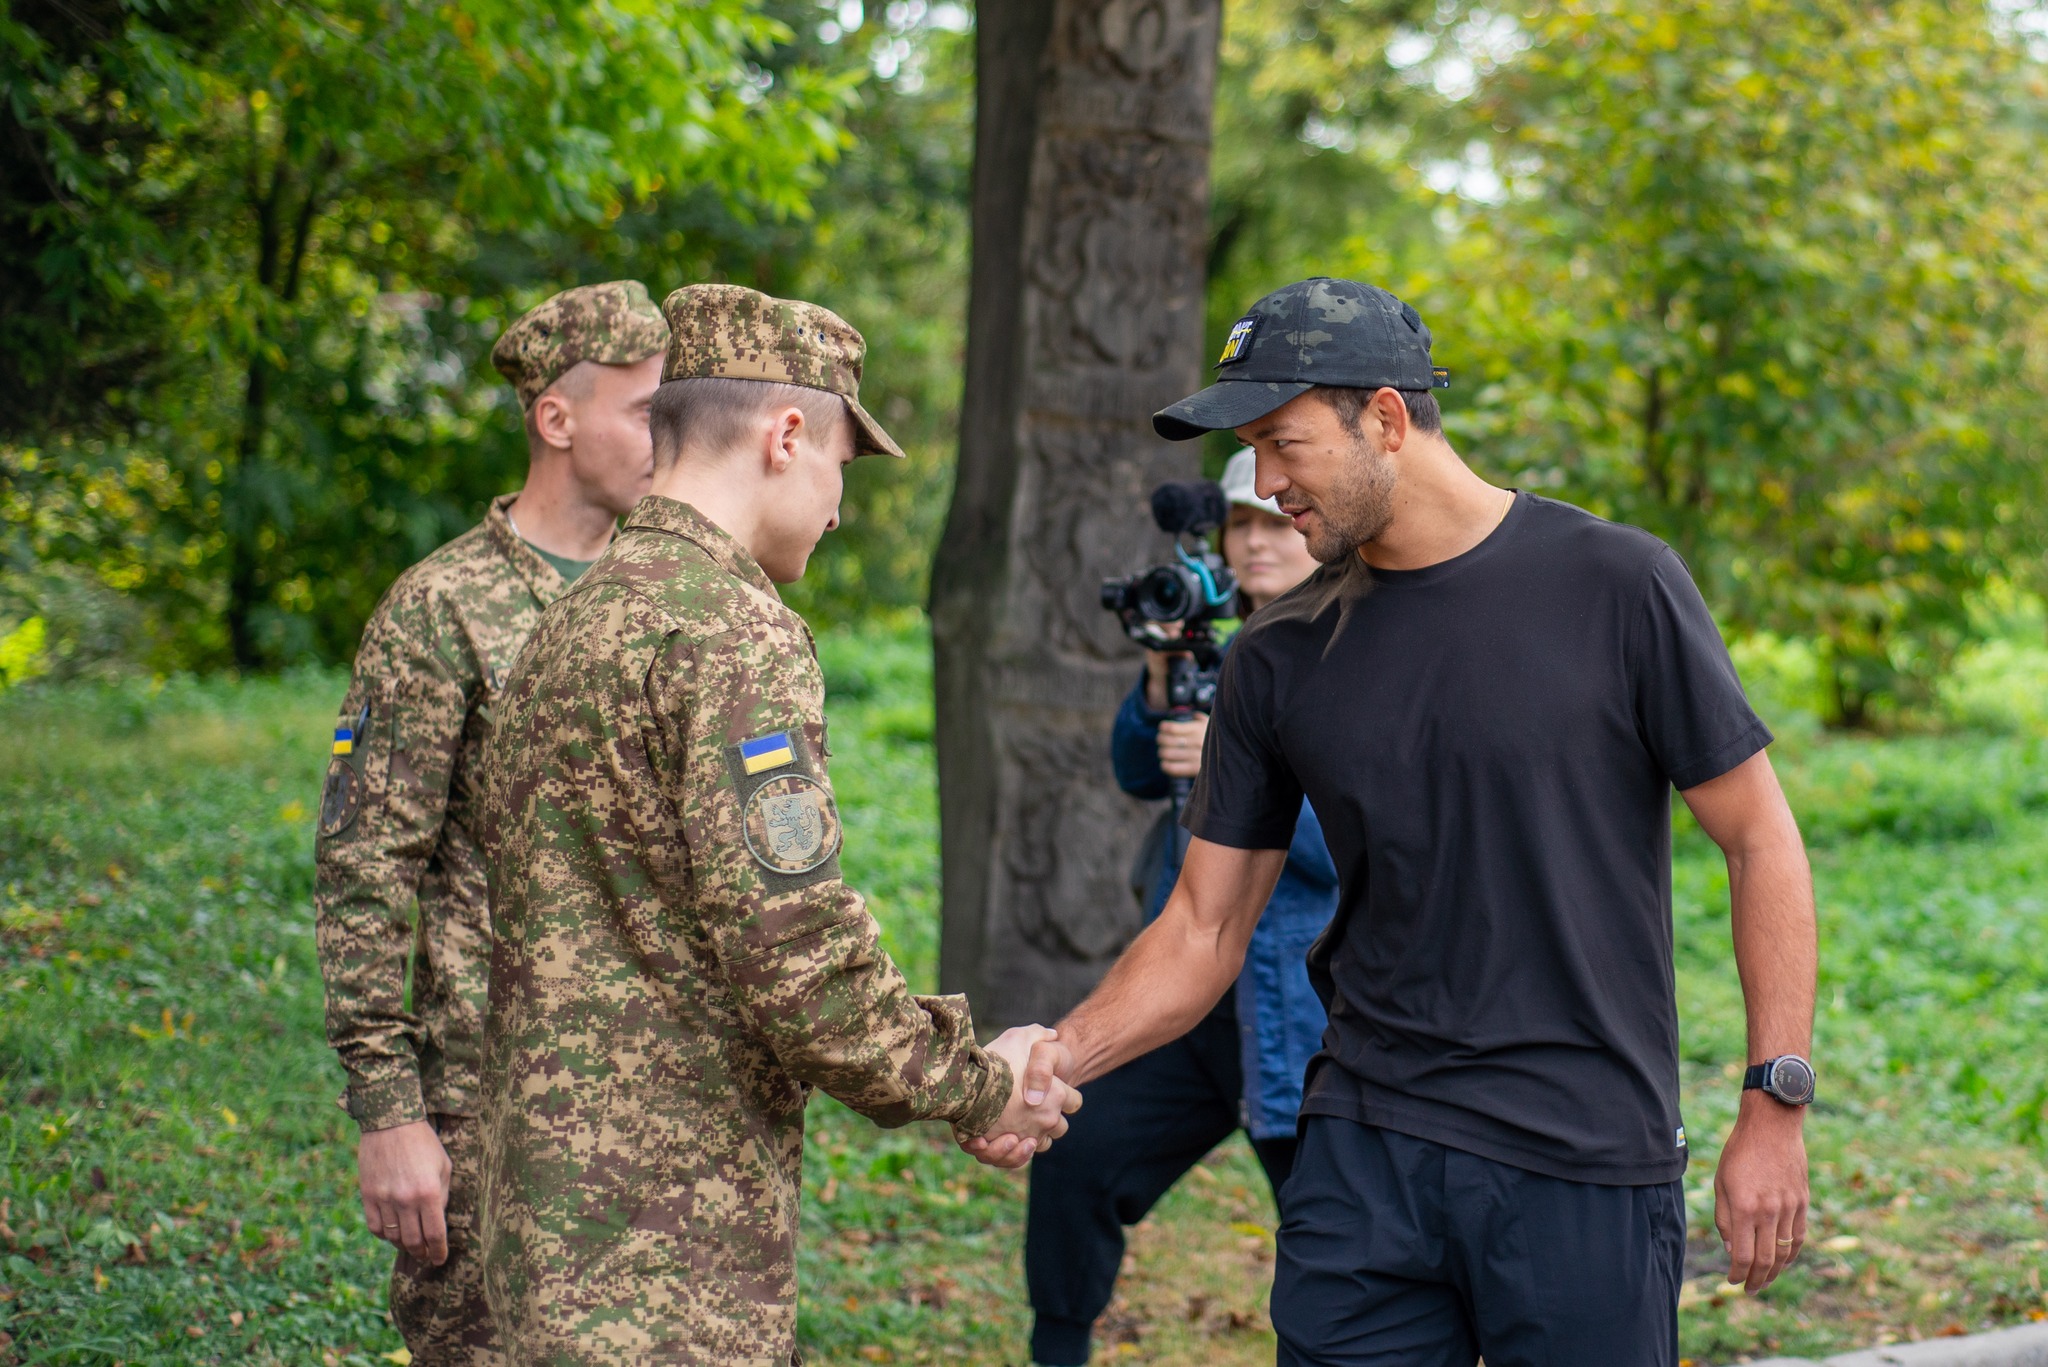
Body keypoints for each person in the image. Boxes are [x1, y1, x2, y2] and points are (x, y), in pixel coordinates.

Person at [1001, 277, 1818, 1366]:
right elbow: (1201, 926)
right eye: (1251, 450)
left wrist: (1773, 1101)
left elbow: (1758, 836)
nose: (1267, 483)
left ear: (1384, 417)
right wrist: (1059, 1054)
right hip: (1365, 1151)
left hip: (1580, 1154)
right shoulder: (1277, 656)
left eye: (1283, 444)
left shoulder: (1615, 583)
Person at [472, 282, 1080, 1366]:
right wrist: (981, 1080)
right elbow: (797, 955)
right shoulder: (729, 630)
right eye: (843, 463)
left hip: (547, 1230)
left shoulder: (573, 616)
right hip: (668, 1254)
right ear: (786, 434)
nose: (839, 503)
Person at [313, 280, 670, 1365]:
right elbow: (365, 864)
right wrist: (389, 1110)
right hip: (492, 1113)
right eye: (646, 410)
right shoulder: (442, 608)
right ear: (554, 420)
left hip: (660, 1109)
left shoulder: (677, 596)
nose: (670, 439)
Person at [1023, 448, 1336, 1367]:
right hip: (1188, 1002)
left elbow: (1364, 840)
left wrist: (1242, 777)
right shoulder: (1211, 639)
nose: (1255, 540)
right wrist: (1163, 683)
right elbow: (1135, 768)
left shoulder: (1358, 652)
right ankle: (1058, 1348)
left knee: (1337, 1246)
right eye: (1240, 522)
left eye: (1274, 520)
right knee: (1076, 1153)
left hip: (1310, 1013)